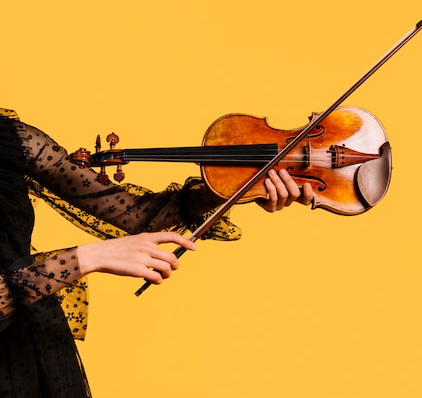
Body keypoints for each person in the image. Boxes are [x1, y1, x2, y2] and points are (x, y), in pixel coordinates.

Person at [0, 107, 313, 397]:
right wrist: (88, 258)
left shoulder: (11, 138)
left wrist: (240, 182)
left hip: (26, 350)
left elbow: (139, 214)